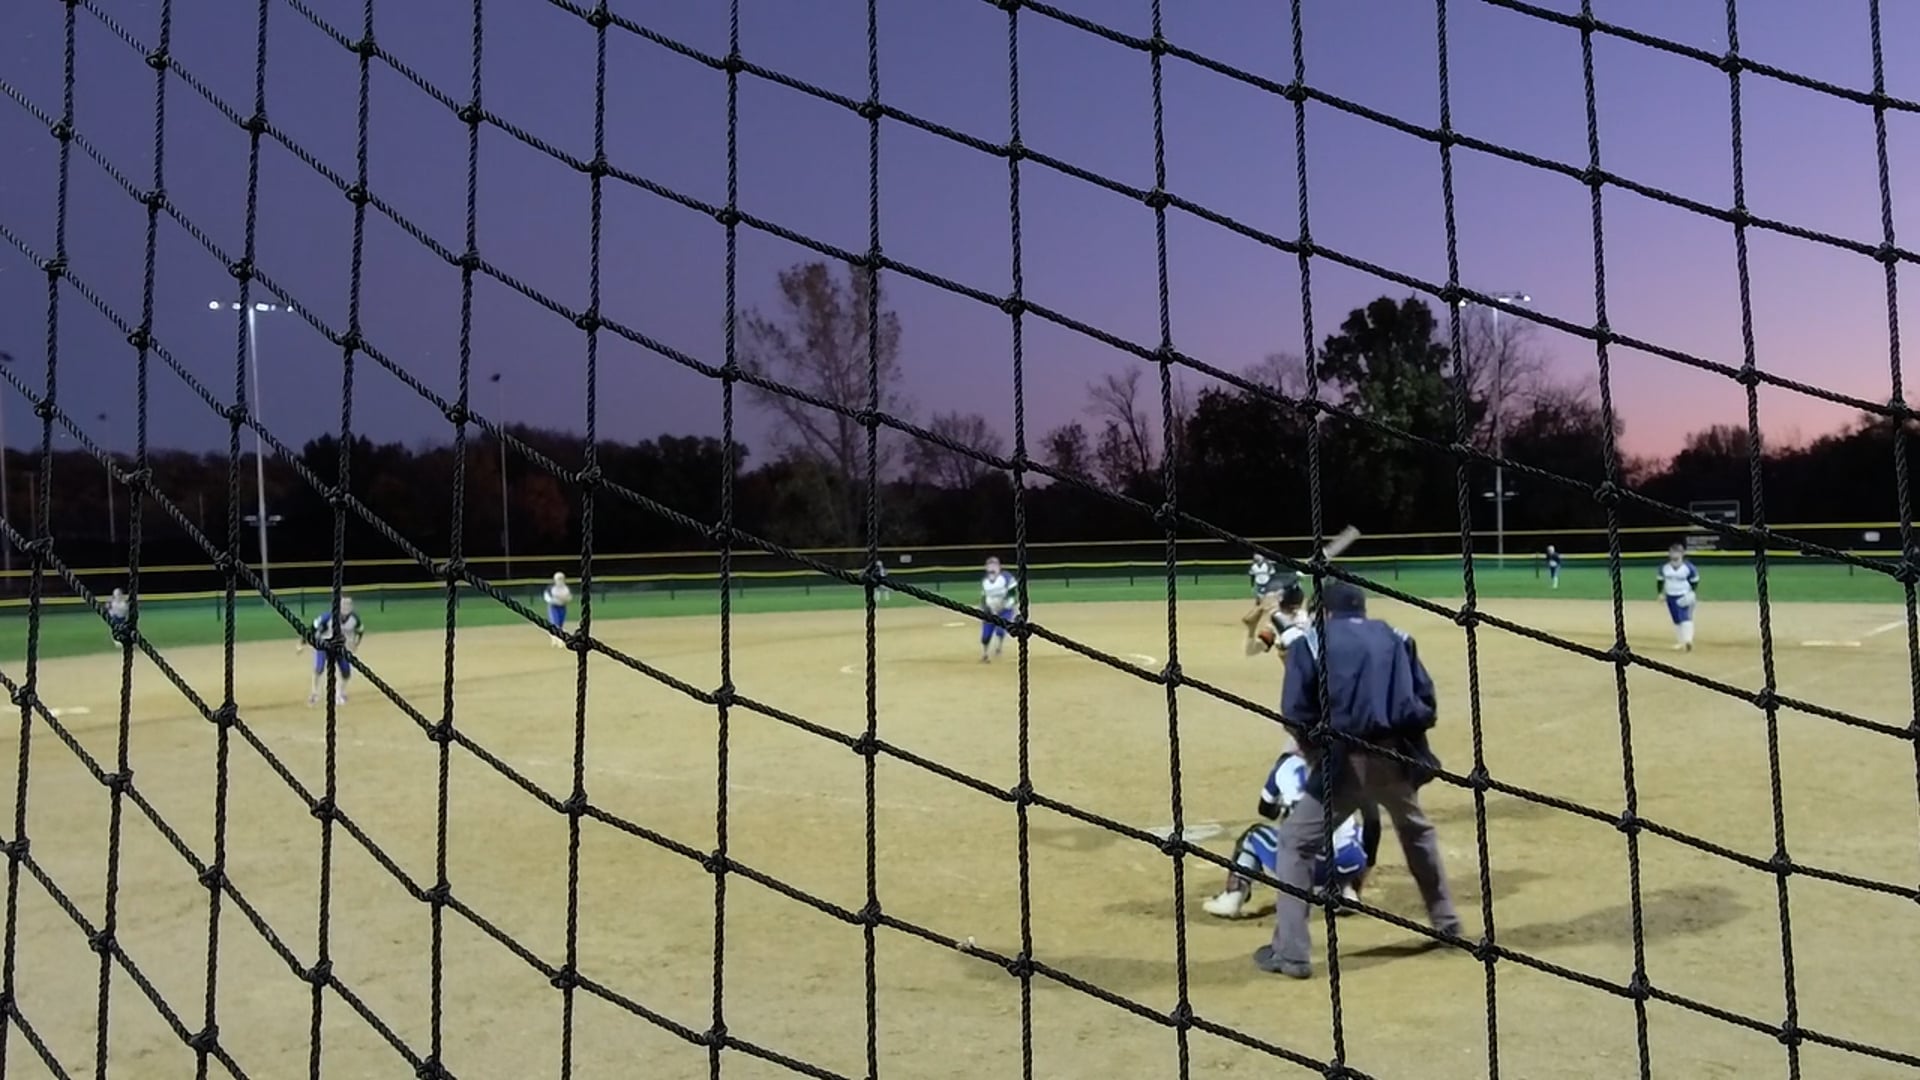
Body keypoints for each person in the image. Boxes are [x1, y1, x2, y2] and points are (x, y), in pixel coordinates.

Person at [1255, 580, 1460, 979]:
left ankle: (1291, 953)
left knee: (1296, 843)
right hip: (1395, 758)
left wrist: (1317, 755)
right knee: (1416, 832)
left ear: (1324, 612)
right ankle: (1447, 923)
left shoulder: (1311, 642)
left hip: (1343, 762)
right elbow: (1425, 705)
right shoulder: (1397, 638)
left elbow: (1296, 712)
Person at [1203, 739, 1375, 919]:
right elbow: (1372, 821)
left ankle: (1233, 897)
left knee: (1253, 836)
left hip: (1300, 866)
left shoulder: (1286, 764)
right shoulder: (1352, 765)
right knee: (1355, 830)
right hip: (1349, 864)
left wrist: (1290, 808)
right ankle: (1347, 891)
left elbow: (1266, 810)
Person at [300, 596, 363, 706]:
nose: (346, 607)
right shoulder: (328, 617)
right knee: (319, 668)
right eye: (343, 604)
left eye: (348, 605)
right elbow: (312, 628)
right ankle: (314, 693)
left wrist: (356, 643)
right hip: (324, 645)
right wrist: (302, 643)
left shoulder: (354, 619)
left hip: (340, 647)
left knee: (346, 672)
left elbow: (360, 631)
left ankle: (341, 693)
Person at [1252, 576, 1310, 657]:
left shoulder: (1277, 619)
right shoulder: (1308, 617)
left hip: (1298, 662)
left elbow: (1255, 649)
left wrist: (1251, 629)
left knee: (1283, 652)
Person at [1657, 543, 1699, 651]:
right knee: (1676, 619)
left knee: (1684, 616)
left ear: (1682, 554)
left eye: (1677, 552)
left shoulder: (1688, 567)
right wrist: (1660, 593)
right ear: (1669, 554)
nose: (1674, 554)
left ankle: (1688, 640)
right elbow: (1660, 581)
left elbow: (1695, 581)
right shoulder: (1665, 568)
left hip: (1684, 595)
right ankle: (1681, 642)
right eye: (1672, 552)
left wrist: (1692, 592)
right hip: (1670, 595)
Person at [979, 557, 1019, 662]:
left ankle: (999, 646)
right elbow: (983, 597)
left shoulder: (1006, 577)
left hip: (1004, 609)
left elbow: (1012, 593)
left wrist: (1008, 604)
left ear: (999, 566)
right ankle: (985, 654)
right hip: (990, 611)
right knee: (985, 635)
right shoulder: (985, 581)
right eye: (990, 565)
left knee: (1000, 630)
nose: (992, 568)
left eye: (994, 565)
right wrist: (984, 608)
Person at [1242, 554, 1284, 655]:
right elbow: (1252, 576)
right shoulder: (1254, 566)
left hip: (1267, 584)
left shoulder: (1267, 565)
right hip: (1259, 585)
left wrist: (1252, 629)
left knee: (1265, 604)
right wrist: (1253, 586)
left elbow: (1250, 651)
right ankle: (1258, 613)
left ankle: (1259, 613)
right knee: (1259, 603)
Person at [544, 572, 573, 648]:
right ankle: (557, 639)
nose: (560, 580)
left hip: (562, 607)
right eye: (559, 578)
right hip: (554, 607)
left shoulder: (565, 588)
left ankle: (556, 637)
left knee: (560, 623)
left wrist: (566, 600)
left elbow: (569, 597)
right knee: (555, 622)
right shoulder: (551, 588)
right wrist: (553, 601)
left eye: (561, 578)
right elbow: (547, 597)